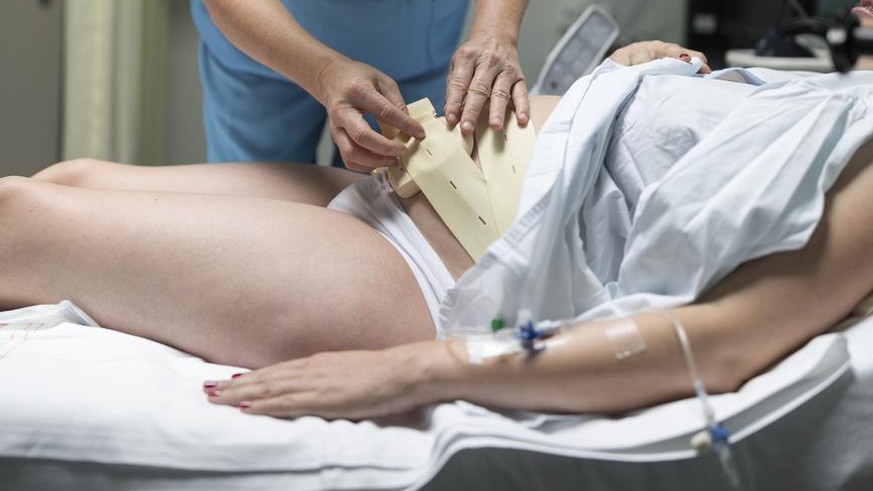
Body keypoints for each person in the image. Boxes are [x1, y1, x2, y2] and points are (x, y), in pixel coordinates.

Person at [4, 40, 872, 423]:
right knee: (69, 181)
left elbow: (718, 341)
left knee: (18, 222)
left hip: (430, 272)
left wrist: (412, 370)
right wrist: (646, 77)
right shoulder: (840, 89)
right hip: (413, 183)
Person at [191, 0, 530, 171]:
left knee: (393, 223)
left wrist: (496, 30)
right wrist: (322, 72)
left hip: (406, 44)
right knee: (256, 217)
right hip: (261, 40)